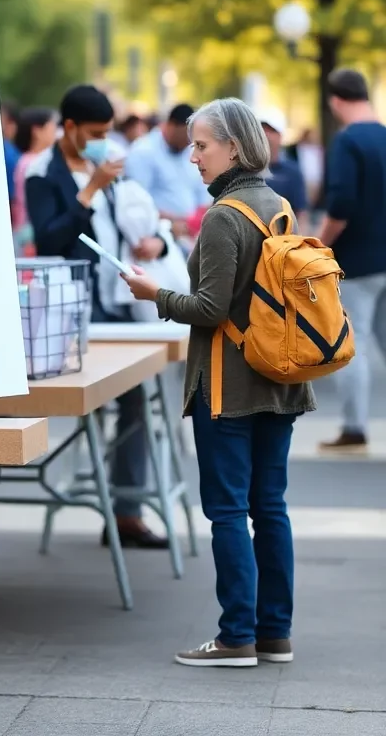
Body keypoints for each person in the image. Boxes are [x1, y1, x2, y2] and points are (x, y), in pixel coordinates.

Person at [123, 97, 315, 667]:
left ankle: (236, 637)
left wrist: (153, 293)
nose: (193, 157)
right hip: (280, 379)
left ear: (233, 146)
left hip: (229, 386)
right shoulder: (278, 206)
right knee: (270, 505)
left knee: (229, 510)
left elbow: (208, 308)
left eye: (201, 145)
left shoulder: (225, 216)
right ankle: (273, 633)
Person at [25, 85, 170, 550]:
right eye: (94, 133)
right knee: (95, 398)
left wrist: (158, 244)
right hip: (72, 306)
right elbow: (49, 243)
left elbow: (135, 221)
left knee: (136, 394)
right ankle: (113, 502)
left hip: (118, 299)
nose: (102, 141)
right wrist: (89, 190)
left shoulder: (104, 167)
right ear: (69, 128)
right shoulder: (42, 173)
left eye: (108, 133)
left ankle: (127, 510)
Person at [317, 69, 386, 454]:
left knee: (349, 342)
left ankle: (354, 427)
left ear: (336, 100)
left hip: (356, 263)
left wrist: (319, 246)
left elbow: (340, 203)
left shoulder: (347, 142)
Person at [125, 103, 211, 243]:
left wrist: (195, 222)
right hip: (155, 234)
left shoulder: (190, 152)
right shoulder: (143, 152)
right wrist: (173, 221)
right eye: (186, 136)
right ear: (171, 125)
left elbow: (202, 196)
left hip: (191, 235)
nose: (188, 142)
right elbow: (135, 202)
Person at [12, 107, 57, 254]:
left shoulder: (28, 160)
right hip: (30, 236)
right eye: (52, 128)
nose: (55, 134)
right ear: (37, 131)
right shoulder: (32, 163)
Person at [258, 109, 309, 232]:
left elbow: (301, 214)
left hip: (281, 244)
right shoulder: (243, 168)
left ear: (281, 136)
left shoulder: (292, 172)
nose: (267, 135)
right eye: (262, 129)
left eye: (272, 131)